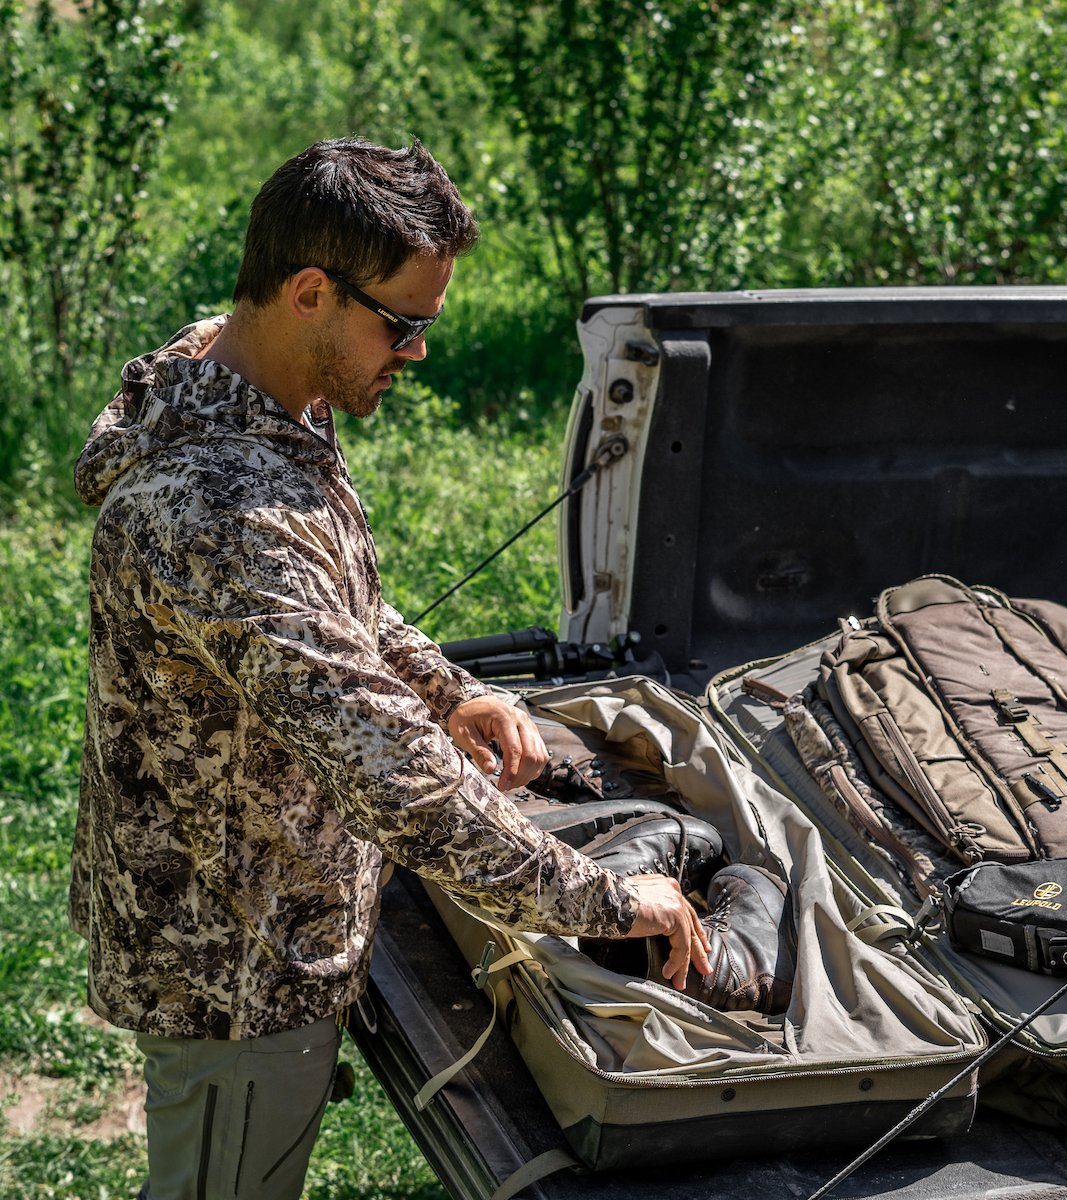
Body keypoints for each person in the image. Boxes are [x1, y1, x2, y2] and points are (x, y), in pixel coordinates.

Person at [70, 136, 711, 1200]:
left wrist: (446, 686)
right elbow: (402, 790)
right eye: (403, 324)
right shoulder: (220, 514)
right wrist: (611, 901)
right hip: (236, 974)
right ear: (311, 291)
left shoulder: (237, 377)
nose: (416, 354)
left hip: (261, 910)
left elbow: (334, 602)